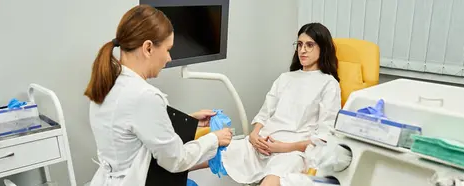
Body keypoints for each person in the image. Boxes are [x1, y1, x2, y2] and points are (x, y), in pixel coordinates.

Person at [84, 5, 233, 186]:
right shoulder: (144, 96)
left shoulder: (108, 83)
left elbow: (134, 131)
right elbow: (176, 161)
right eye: (168, 49)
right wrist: (214, 139)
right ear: (148, 48)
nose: (169, 58)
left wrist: (190, 119)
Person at [221, 23, 341, 186]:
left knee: (270, 181)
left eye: (309, 45)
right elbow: (264, 114)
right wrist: (254, 135)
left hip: (293, 152)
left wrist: (282, 147)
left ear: (323, 48)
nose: (302, 50)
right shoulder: (285, 78)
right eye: (299, 44)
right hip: (262, 143)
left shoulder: (329, 84)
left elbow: (323, 137)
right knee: (211, 153)